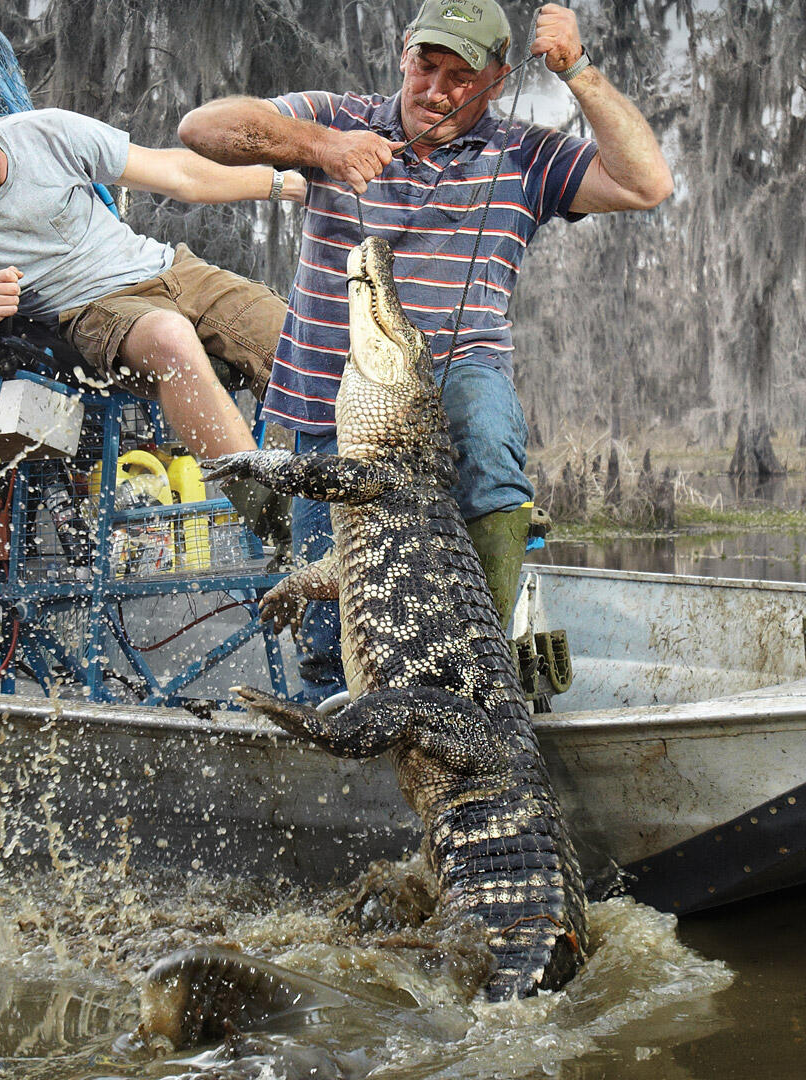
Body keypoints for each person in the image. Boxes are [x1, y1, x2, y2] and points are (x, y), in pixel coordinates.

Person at [178, 0, 671, 695]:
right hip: (333, 408)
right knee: (331, 634)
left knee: (490, 435)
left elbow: (647, 183)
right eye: (426, 65)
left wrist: (580, 74)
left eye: (461, 76)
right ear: (404, 52)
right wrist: (319, 148)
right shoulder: (338, 119)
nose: (435, 90)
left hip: (449, 383)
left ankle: (484, 672)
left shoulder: (525, 155)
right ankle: (337, 741)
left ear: (498, 81)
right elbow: (202, 128)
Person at [0, 73, 303, 538]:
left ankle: (363, 492)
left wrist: (288, 184)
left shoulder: (50, 133)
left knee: (303, 336)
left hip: (171, 270)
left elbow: (179, 174)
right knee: (170, 337)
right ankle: (281, 523)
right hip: (91, 313)